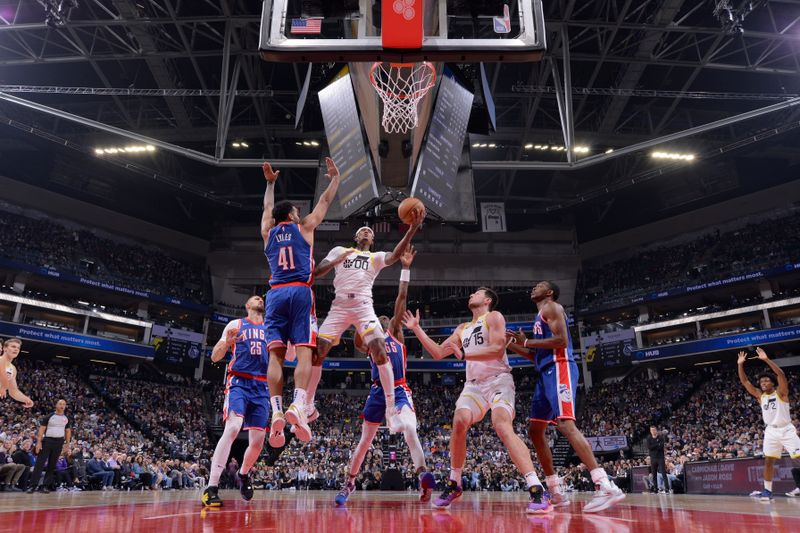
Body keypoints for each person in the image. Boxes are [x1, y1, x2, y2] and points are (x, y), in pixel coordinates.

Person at [403, 287, 551, 514]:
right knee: (459, 420)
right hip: (474, 384)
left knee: (501, 424)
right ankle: (454, 483)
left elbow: (497, 347)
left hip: (498, 380)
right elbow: (439, 353)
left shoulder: (494, 317)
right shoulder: (462, 328)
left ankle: (536, 488)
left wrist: (465, 356)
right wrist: (417, 329)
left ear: (487, 300)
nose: (472, 295)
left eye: (477, 293)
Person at [505, 281, 625, 513]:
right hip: (545, 371)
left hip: (560, 367)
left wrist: (527, 341)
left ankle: (605, 485)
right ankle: (555, 490)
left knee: (565, 425)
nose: (533, 288)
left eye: (539, 285)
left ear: (549, 292)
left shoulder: (552, 307)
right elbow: (535, 356)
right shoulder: (540, 315)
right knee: (535, 430)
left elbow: (562, 342)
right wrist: (513, 344)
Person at [334, 247, 436, 506]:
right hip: (377, 391)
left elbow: (401, 297)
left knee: (410, 428)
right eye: (377, 319)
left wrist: (405, 267)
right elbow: (356, 325)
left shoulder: (396, 334)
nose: (382, 319)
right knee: (364, 441)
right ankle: (349, 483)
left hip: (400, 389)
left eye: (385, 318)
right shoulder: (369, 342)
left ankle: (422, 474)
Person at [307, 214, 424, 433]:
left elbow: (395, 255)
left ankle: (391, 410)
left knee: (380, 350)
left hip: (363, 305)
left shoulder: (375, 257)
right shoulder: (340, 251)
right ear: (355, 236)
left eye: (370, 232)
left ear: (372, 241)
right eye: (362, 230)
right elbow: (316, 273)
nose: (366, 232)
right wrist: (335, 262)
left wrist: (411, 229)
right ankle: (308, 404)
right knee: (318, 352)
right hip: (340, 305)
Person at [261, 158, 341, 445]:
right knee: (306, 352)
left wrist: (270, 183)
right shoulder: (304, 227)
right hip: (299, 291)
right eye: (296, 212)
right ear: (293, 215)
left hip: (275, 294)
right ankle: (297, 403)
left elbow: (267, 209)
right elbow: (325, 200)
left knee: (275, 356)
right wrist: (335, 178)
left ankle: (277, 411)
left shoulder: (268, 233)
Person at [202, 295, 270, 508]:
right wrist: (227, 343)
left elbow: (287, 357)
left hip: (262, 385)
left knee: (258, 443)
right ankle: (211, 487)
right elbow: (214, 356)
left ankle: (243, 474)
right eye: (254, 297)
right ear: (247, 305)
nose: (259, 298)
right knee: (232, 428)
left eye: (261, 297)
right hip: (239, 382)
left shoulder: (271, 328)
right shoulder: (235, 324)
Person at [737, 347, 800, 501]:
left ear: (772, 383)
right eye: (761, 381)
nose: (763, 383)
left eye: (766, 380)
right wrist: (740, 365)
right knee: (769, 461)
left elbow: (781, 374)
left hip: (786, 429)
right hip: (771, 431)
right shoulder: (760, 396)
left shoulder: (781, 392)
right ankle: (767, 491)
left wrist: (766, 360)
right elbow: (745, 381)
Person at [27, 399, 71, 493]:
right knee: (40, 463)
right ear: (56, 405)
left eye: (64, 404)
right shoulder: (49, 416)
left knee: (52, 465)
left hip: (59, 442)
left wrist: (67, 444)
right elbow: (41, 430)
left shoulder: (66, 418)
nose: (62, 405)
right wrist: (38, 442)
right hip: (47, 441)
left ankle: (45, 486)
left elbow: (67, 431)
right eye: (60, 404)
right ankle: (32, 486)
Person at [0, 338, 34, 408]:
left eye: (18, 348)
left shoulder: (13, 369)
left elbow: (13, 391)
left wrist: (26, 399)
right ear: (4, 348)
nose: (16, 349)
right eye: (13, 347)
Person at [646, 425, 670, 493]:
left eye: (654, 430)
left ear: (656, 430)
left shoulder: (660, 437)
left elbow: (661, 446)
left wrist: (654, 446)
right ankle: (655, 489)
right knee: (654, 474)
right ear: (650, 431)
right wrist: (657, 444)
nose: (653, 431)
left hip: (660, 457)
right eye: (651, 430)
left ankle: (667, 489)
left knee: (663, 473)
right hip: (653, 458)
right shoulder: (649, 438)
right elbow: (649, 447)